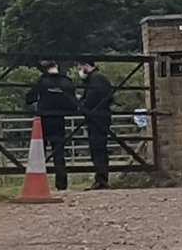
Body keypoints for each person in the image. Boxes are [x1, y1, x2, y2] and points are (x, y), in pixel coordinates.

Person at [22, 60, 78, 191]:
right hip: (59, 119)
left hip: (44, 119)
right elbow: (73, 100)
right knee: (59, 152)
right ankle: (62, 184)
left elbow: (30, 98)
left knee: (40, 153)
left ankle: (39, 183)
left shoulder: (42, 81)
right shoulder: (66, 81)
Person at [76, 61, 115, 190]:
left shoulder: (96, 79)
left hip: (97, 118)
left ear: (87, 66)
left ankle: (101, 179)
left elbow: (92, 99)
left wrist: (82, 105)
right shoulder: (97, 79)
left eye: (80, 67)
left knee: (98, 147)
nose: (79, 70)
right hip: (100, 116)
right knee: (98, 148)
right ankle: (101, 178)